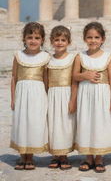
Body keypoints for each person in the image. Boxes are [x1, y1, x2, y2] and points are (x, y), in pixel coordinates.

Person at [73, 22, 111, 173]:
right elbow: (74, 76)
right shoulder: (80, 56)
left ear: (103, 39)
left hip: (103, 95)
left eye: (96, 37)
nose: (93, 40)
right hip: (85, 95)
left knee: (101, 123)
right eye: (89, 37)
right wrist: (84, 75)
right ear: (84, 39)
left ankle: (99, 157)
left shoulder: (108, 57)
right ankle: (88, 157)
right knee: (86, 123)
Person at [10, 22, 50, 170]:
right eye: (30, 37)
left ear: (42, 40)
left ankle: (30, 156)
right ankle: (22, 155)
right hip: (21, 94)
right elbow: (14, 77)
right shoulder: (18, 56)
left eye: (37, 37)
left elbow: (46, 79)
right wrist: (13, 98)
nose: (33, 40)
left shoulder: (45, 57)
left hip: (38, 94)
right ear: (24, 39)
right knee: (22, 123)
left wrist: (46, 96)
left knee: (34, 123)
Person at [47, 25, 77, 170]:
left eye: (63, 40)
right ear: (51, 41)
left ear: (69, 42)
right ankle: (54, 154)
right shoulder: (47, 59)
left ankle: (64, 154)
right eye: (56, 40)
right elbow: (45, 80)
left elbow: (74, 80)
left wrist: (73, 99)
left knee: (66, 125)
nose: (59, 43)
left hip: (66, 95)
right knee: (53, 124)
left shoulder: (73, 58)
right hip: (52, 96)